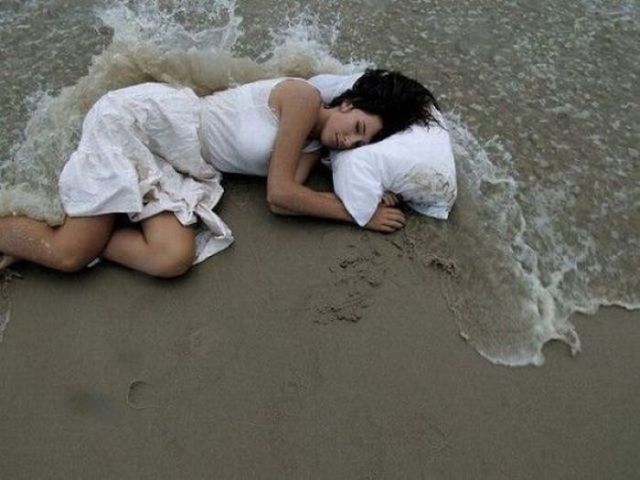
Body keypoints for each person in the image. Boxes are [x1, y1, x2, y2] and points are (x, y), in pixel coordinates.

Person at [0, 69, 439, 277]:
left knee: (171, 259)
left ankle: (63, 231)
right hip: (149, 124)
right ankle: (54, 237)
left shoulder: (312, 147)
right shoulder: (303, 99)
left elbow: (293, 197)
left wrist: (368, 191)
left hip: (181, 166)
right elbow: (280, 196)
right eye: (357, 128)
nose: (350, 142)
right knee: (69, 257)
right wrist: (358, 213)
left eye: (361, 145)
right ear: (346, 103)